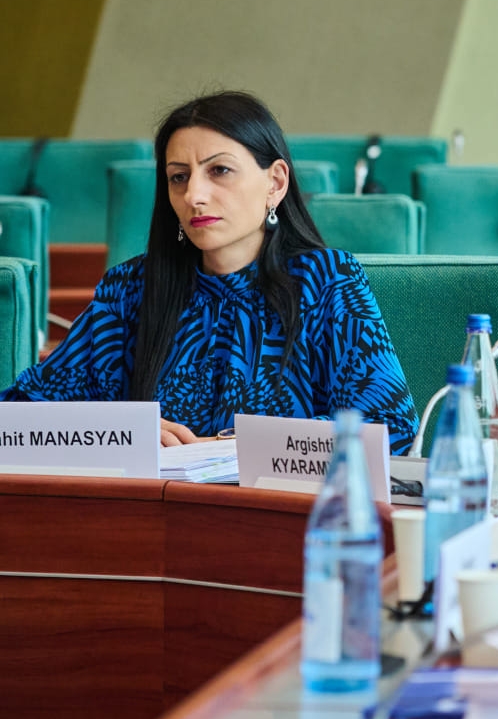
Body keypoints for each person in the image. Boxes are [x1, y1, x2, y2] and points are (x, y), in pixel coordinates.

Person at [5, 91, 419, 452]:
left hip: (277, 511)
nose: (194, 195)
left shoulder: (326, 280)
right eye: (178, 177)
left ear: (275, 183)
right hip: (151, 511)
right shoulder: (130, 290)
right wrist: (126, 430)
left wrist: (234, 449)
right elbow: (17, 417)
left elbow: (388, 429)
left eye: (219, 170)